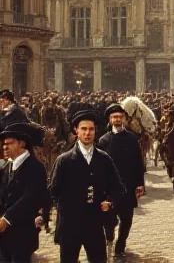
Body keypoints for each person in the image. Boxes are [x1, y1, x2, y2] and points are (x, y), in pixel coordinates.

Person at [49, 110, 125, 263]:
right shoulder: (64, 161)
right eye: (83, 129)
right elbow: (53, 191)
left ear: (96, 131)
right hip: (70, 225)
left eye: (91, 129)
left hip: (94, 223)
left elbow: (118, 188)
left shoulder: (104, 159)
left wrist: (109, 202)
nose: (87, 133)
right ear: (76, 131)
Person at [97, 104, 145, 261]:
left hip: (128, 187)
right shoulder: (103, 140)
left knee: (126, 220)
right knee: (109, 222)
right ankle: (109, 238)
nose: (117, 119)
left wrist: (140, 183)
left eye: (120, 117)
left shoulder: (132, 139)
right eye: (114, 117)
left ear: (124, 119)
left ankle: (120, 248)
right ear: (110, 120)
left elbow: (139, 163)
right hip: (109, 190)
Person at [0, 122, 48, 263]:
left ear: (22, 144)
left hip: (23, 234)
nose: (4, 147)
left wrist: (7, 218)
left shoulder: (35, 167)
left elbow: (32, 197)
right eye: (3, 144)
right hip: (4, 235)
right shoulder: (7, 166)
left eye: (9, 143)